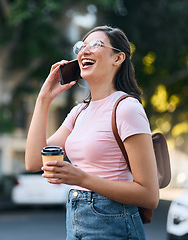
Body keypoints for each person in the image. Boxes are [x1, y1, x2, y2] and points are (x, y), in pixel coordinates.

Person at [25, 25, 159, 240]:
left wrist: (82, 178)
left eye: (95, 45)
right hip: (76, 223)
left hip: (114, 225)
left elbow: (149, 195)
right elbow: (33, 161)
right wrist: (43, 100)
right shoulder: (79, 112)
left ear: (118, 58)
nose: (84, 51)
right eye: (81, 46)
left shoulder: (127, 108)